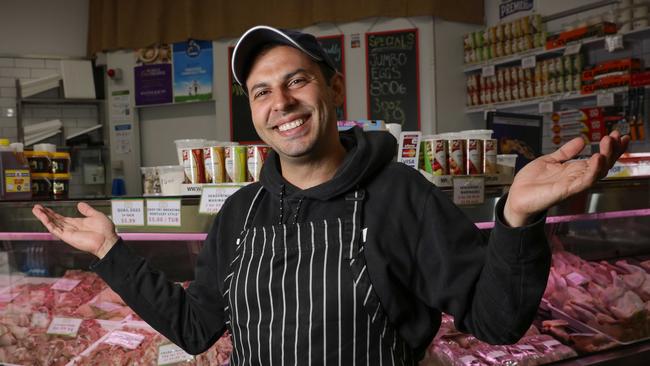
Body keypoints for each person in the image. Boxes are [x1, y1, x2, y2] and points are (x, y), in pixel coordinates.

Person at [33, 25, 629, 365]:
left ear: (331, 86)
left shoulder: (402, 196)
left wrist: (518, 218)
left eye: (297, 80)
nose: (281, 104)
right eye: (262, 91)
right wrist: (112, 251)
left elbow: (497, 322)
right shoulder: (242, 212)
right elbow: (194, 328)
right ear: (253, 111)